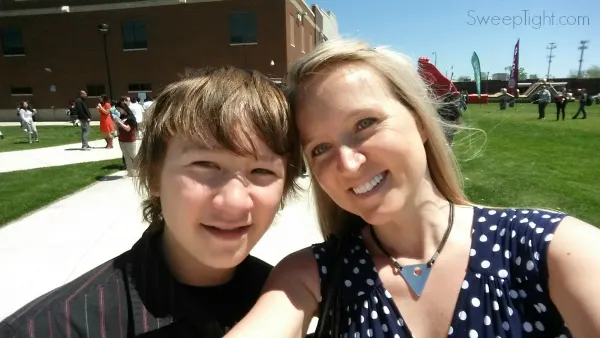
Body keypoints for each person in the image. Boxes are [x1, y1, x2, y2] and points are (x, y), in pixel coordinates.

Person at [225, 39, 600, 338]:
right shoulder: (311, 275)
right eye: (320, 148)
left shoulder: (552, 249)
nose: (348, 164)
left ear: (421, 122)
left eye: (364, 123)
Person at [0, 66, 303, 337]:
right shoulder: (49, 328)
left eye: (262, 170)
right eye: (205, 165)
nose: (235, 202)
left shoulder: (292, 298)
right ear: (154, 175)